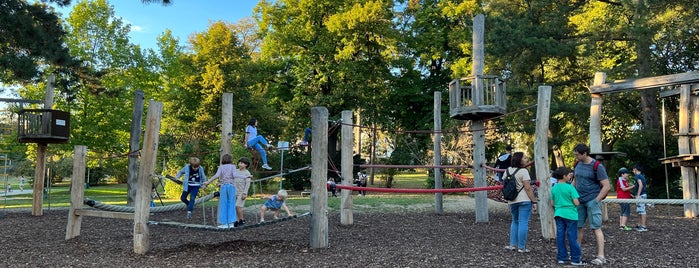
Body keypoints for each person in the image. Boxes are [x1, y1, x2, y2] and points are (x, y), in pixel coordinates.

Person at [572, 143, 610, 266]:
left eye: (577, 154)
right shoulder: (577, 164)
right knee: (578, 227)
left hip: (592, 200)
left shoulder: (597, 166)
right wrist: (571, 194)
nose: (575, 155)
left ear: (584, 154)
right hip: (579, 201)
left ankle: (601, 256)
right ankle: (576, 254)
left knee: (596, 227)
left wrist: (596, 200)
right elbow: (575, 181)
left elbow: (606, 186)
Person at [502, 152, 537, 253]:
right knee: (523, 222)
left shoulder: (507, 170)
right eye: (524, 158)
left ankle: (512, 245)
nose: (526, 159)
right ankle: (522, 247)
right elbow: (528, 188)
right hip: (524, 200)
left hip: (512, 200)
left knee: (515, 221)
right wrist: (534, 201)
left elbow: (504, 183)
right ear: (519, 160)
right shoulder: (524, 171)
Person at [550, 167, 584, 265]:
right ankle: (575, 259)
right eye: (569, 175)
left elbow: (552, 203)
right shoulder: (570, 188)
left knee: (560, 236)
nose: (570, 176)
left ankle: (562, 258)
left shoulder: (554, 187)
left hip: (559, 214)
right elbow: (576, 203)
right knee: (572, 237)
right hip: (571, 215)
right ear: (564, 176)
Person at [203, 154, 240, 228]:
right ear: (230, 160)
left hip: (223, 186)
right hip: (231, 186)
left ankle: (224, 223)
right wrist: (245, 177)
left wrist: (208, 182)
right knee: (231, 204)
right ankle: (231, 223)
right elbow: (235, 175)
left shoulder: (221, 167)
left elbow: (216, 175)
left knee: (223, 204)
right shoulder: (233, 166)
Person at [233, 157, 253, 226]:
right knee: (235, 207)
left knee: (238, 206)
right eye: (239, 163)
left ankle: (242, 220)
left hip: (241, 192)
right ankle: (237, 220)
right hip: (234, 191)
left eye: (241, 163)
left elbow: (247, 184)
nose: (239, 164)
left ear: (246, 165)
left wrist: (245, 193)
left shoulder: (247, 173)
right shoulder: (235, 171)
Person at [632, 164, 648, 232]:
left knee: (642, 211)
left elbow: (640, 185)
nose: (633, 171)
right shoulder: (642, 176)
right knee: (639, 211)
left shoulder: (637, 176)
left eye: (633, 170)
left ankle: (643, 226)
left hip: (641, 195)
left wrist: (638, 195)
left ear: (636, 169)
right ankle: (639, 225)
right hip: (642, 195)